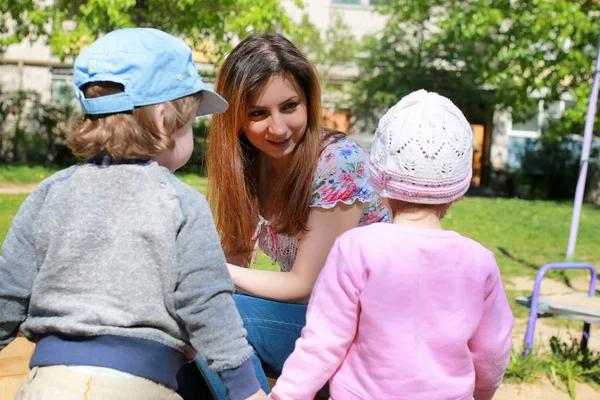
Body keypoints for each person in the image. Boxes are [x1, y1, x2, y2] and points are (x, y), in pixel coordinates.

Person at [0, 28, 266, 400]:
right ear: (162, 119)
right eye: (191, 123)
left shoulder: (49, 194)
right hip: (138, 386)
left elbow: (7, 294)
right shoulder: (179, 202)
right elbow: (207, 303)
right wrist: (246, 390)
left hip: (47, 383)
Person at [270, 90, 514, 400]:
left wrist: (287, 395)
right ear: (458, 192)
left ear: (379, 185)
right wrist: (481, 393)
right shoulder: (480, 261)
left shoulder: (356, 248)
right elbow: (493, 348)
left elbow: (324, 339)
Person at [191, 32, 390, 398]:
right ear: (235, 117)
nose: (278, 128)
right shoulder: (249, 164)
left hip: (367, 337)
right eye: (258, 113)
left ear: (309, 103)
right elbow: (234, 262)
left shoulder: (338, 161)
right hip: (315, 327)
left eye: (289, 107)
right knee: (186, 329)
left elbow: (304, 285)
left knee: (218, 317)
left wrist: (205, 272)